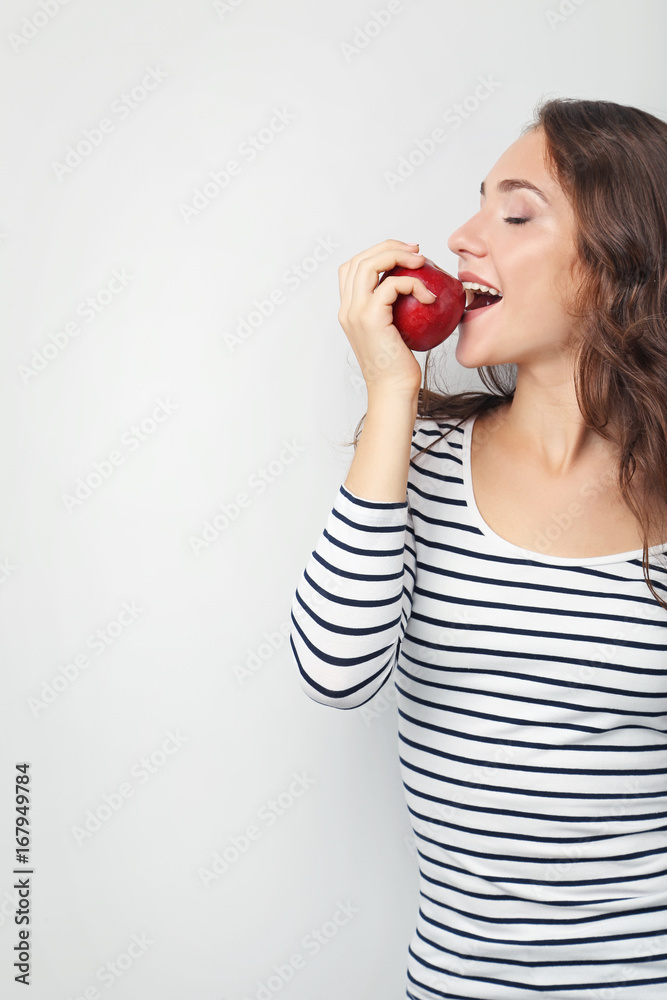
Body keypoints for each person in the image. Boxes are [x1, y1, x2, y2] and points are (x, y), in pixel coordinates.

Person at [289, 97, 667, 999]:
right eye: (475, 204)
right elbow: (334, 670)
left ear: (616, 260)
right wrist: (391, 394)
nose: (461, 237)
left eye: (515, 211)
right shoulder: (413, 461)